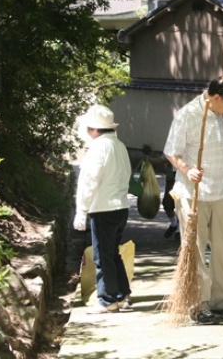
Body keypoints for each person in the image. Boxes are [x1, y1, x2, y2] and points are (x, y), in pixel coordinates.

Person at [163, 75, 223, 325]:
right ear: (216, 97)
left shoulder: (221, 116)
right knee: (196, 250)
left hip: (221, 191)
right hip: (193, 194)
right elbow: (170, 151)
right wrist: (187, 170)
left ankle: (220, 302)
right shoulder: (188, 114)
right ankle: (198, 304)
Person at [73, 104, 132, 314]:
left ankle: (108, 300)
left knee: (102, 256)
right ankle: (123, 295)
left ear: (93, 129)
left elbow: (89, 181)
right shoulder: (120, 145)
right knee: (112, 253)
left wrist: (81, 210)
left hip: (103, 209)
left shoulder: (98, 148)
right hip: (121, 206)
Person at [161, 157, 180, 240]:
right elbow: (165, 157)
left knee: (181, 205)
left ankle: (180, 230)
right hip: (171, 180)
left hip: (182, 180)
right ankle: (174, 224)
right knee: (167, 204)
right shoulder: (171, 145)